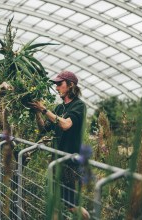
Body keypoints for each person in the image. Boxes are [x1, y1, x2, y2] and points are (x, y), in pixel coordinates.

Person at [30, 70, 90, 219]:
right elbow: (44, 128)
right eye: (56, 85)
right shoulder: (58, 108)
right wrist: (37, 111)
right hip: (56, 161)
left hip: (69, 163)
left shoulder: (79, 106)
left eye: (59, 84)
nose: (56, 88)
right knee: (56, 200)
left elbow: (66, 125)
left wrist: (44, 109)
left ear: (70, 85)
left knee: (71, 205)